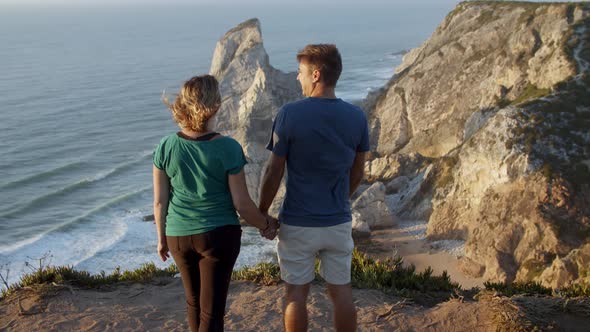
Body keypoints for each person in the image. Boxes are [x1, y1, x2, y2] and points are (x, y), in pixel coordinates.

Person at [152, 75, 277, 332]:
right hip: (218, 236)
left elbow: (159, 201)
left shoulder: (165, 146)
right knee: (212, 312)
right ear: (215, 106)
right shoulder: (228, 148)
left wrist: (161, 238)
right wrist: (266, 223)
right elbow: (242, 204)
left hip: (177, 235)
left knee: (194, 304)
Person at [258, 44, 369, 332]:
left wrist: (262, 214)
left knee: (296, 294)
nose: (298, 78)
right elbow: (358, 172)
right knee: (341, 292)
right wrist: (340, 200)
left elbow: (273, 170)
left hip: (298, 222)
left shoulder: (290, 114)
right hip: (338, 221)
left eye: (301, 73)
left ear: (316, 74)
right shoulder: (357, 116)